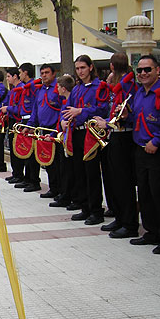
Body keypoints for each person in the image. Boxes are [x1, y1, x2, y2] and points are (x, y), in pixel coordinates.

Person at [120, 55, 160, 254]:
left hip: (158, 150)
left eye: (147, 69)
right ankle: (151, 232)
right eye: (140, 70)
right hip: (140, 149)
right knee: (145, 193)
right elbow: (136, 120)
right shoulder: (139, 93)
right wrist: (126, 116)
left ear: (157, 71)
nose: (143, 73)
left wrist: (156, 141)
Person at [92, 53, 139, 238]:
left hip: (123, 136)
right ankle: (120, 218)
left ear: (112, 67)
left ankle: (129, 223)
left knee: (123, 183)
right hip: (115, 135)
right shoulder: (117, 86)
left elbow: (124, 115)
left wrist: (107, 123)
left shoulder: (127, 86)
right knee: (113, 181)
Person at [61, 55, 109, 225]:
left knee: (92, 173)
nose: (80, 71)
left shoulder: (100, 86)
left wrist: (81, 111)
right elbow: (67, 108)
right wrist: (63, 120)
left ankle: (96, 210)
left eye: (83, 67)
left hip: (92, 134)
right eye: (77, 68)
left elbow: (103, 109)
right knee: (79, 172)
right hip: (77, 133)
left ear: (90, 67)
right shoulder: (76, 89)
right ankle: (84, 207)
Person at [29, 64, 62, 198]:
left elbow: (62, 109)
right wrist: (30, 126)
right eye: (42, 73)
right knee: (48, 162)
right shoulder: (41, 90)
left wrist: (56, 131)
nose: (44, 75)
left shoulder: (58, 89)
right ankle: (53, 188)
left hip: (54, 131)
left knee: (58, 164)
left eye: (47, 72)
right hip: (43, 131)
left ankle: (61, 190)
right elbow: (35, 111)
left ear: (54, 74)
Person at [13, 63, 41, 191]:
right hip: (24, 120)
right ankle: (27, 178)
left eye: (20, 72)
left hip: (31, 120)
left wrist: (31, 124)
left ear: (26, 72)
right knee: (25, 152)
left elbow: (35, 106)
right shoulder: (26, 88)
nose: (19, 75)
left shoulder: (34, 87)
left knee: (32, 154)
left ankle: (34, 180)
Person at [51, 75, 77, 209]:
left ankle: (68, 196)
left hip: (70, 139)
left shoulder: (70, 102)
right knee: (63, 168)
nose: (57, 90)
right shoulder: (64, 101)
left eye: (58, 87)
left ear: (63, 88)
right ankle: (64, 193)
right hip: (63, 137)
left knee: (68, 170)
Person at [2, 68, 25, 184]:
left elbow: (21, 108)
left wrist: (8, 108)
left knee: (18, 147)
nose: (7, 79)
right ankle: (15, 172)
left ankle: (19, 174)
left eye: (9, 76)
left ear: (15, 76)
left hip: (18, 121)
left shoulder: (21, 89)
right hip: (11, 120)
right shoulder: (13, 90)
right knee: (12, 147)